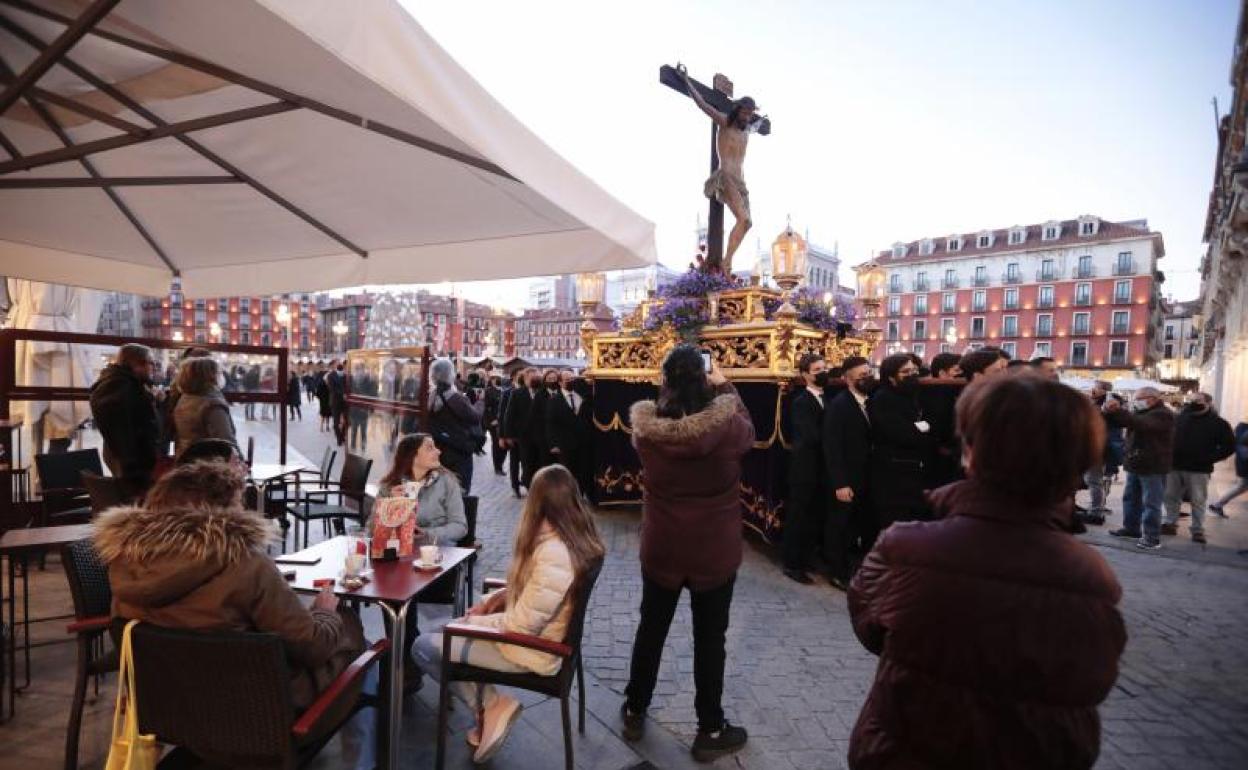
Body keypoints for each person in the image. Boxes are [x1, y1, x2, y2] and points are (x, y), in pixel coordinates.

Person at [848, 372, 1125, 770]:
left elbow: (871, 626)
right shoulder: (1093, 576)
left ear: (972, 453)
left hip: (908, 747)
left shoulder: (906, 546)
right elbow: (1093, 678)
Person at [94, 460, 370, 764]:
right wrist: (326, 612)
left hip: (172, 711)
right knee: (350, 630)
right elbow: (312, 646)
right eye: (239, 502)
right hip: (263, 718)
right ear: (222, 511)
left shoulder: (125, 566)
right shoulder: (246, 565)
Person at [415, 465, 605, 763]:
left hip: (531, 652)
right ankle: (490, 709)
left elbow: (521, 624)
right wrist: (495, 600)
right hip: (535, 640)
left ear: (539, 503)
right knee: (443, 629)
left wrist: (473, 622)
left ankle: (492, 705)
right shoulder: (572, 538)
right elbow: (538, 593)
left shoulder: (554, 552)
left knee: (424, 647)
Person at [622, 344, 753, 762]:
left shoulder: (646, 431)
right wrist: (727, 386)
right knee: (710, 640)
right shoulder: (729, 427)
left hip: (662, 545)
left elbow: (667, 413)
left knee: (651, 630)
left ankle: (635, 708)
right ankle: (709, 728)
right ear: (704, 379)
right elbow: (748, 429)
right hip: (713, 549)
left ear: (665, 381)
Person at [376, 433, 468, 679]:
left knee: (396, 588)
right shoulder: (390, 486)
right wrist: (392, 506)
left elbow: (460, 526)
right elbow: (371, 530)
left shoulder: (446, 482)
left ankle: (402, 656)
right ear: (412, 456)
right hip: (399, 562)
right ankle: (403, 653)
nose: (438, 451)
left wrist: (426, 533)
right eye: (430, 448)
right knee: (390, 586)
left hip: (437, 564)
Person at [677, 66, 757, 274]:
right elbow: (703, 105)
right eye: (745, 113)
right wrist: (687, 81)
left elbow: (759, 125)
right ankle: (726, 262)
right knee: (744, 219)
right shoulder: (724, 122)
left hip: (741, 182)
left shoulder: (747, 131)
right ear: (737, 110)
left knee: (748, 224)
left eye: (750, 114)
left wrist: (762, 121)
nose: (747, 117)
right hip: (727, 176)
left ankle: (727, 261)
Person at [822, 355, 874, 589]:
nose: (867, 378)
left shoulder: (868, 401)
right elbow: (832, 447)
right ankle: (836, 572)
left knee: (853, 526)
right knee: (839, 526)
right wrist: (840, 483)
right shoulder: (840, 405)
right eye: (862, 376)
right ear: (848, 379)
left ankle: (849, 567)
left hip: (863, 476)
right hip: (846, 479)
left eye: (869, 373)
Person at [867, 353, 934, 526]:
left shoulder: (910, 394)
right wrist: (921, 428)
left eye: (914, 370)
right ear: (891, 377)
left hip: (913, 469)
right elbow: (901, 433)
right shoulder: (883, 398)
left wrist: (920, 428)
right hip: (893, 472)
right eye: (906, 372)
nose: (912, 375)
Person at [89, 344, 163, 500]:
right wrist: (134, 469)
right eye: (151, 363)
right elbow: (123, 432)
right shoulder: (120, 388)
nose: (153, 368)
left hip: (126, 461)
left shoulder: (121, 384)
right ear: (136, 363)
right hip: (132, 466)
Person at [1106, 387, 1176, 550]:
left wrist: (1119, 410)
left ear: (1151, 399)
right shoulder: (1142, 412)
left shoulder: (1163, 414)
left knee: (1151, 503)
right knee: (1130, 498)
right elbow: (1124, 421)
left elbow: (1140, 424)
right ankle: (1131, 529)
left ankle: (1152, 537)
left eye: (1139, 398)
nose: (1136, 402)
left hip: (1152, 466)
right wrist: (1111, 411)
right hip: (1135, 463)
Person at [1161, 393, 1236, 544]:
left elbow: (1229, 446)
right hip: (1174, 466)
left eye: (1198, 400)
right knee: (1171, 497)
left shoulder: (1218, 423)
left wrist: (1210, 458)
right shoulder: (1179, 418)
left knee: (1198, 500)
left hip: (1199, 469)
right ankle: (1170, 523)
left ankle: (1197, 530)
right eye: (1192, 400)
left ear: (1208, 403)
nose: (1194, 403)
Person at [781, 354, 829, 585]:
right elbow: (809, 435)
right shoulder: (801, 401)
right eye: (817, 369)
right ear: (805, 375)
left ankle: (806, 558)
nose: (823, 372)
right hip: (804, 468)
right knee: (798, 517)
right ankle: (792, 563)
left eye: (824, 368)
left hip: (819, 468)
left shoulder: (825, 398)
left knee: (813, 516)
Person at [427, 358, 484, 494]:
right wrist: (480, 402)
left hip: (439, 448)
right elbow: (475, 417)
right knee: (460, 490)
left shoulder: (431, 396)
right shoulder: (455, 398)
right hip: (458, 451)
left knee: (441, 490)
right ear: (450, 375)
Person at [171, 356, 239, 459]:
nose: (221, 376)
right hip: (208, 464)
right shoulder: (212, 404)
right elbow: (226, 441)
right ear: (210, 376)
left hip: (186, 459)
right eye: (219, 372)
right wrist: (240, 462)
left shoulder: (184, 398)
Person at [546, 369, 594, 502]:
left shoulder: (582, 396)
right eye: (567, 380)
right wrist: (553, 443)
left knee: (583, 470)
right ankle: (568, 497)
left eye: (573, 379)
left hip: (583, 441)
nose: (571, 382)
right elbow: (551, 423)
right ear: (560, 382)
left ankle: (581, 494)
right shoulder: (555, 400)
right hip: (565, 443)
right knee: (568, 471)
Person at [503, 368, 544, 495]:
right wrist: (507, 435)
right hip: (523, 436)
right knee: (526, 463)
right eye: (530, 378)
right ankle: (528, 485)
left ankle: (537, 486)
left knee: (539, 462)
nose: (532, 380)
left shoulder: (542, 392)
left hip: (540, 435)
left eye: (535, 377)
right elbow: (509, 415)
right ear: (525, 379)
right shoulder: (517, 393)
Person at [1081, 380, 1117, 525]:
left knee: (1094, 480)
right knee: (1091, 480)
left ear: (1103, 390)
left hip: (1098, 447)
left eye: (1095, 387)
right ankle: (1096, 508)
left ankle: (1096, 512)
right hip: (1092, 445)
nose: (1092, 389)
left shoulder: (1107, 404)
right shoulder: (1096, 402)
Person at [1209, 417, 1248, 516]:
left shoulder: (1241, 428)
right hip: (1245, 463)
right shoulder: (1244, 430)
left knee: (1241, 486)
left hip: (1242, 463)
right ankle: (1217, 504)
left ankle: (1217, 505)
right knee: (1241, 486)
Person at [484, 374, 508, 477]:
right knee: (496, 444)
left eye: (497, 379)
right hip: (493, 422)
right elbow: (487, 407)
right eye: (493, 379)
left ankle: (501, 464)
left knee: (504, 445)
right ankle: (497, 467)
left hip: (504, 421)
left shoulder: (505, 391)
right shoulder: (488, 391)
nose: (495, 381)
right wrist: (493, 420)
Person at [328, 361, 348, 446]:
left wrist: (346, 394)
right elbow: (332, 388)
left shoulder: (346, 375)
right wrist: (342, 394)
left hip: (345, 402)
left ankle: (342, 436)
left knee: (347, 421)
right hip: (335, 401)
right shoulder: (331, 375)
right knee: (336, 423)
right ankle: (339, 438)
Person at [315, 364, 333, 433]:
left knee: (324, 414)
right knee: (326, 415)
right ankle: (324, 427)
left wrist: (320, 398)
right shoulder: (329, 385)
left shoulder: (321, 384)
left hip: (323, 402)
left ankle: (323, 427)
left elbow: (317, 394)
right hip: (327, 401)